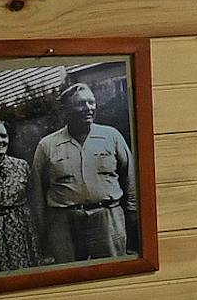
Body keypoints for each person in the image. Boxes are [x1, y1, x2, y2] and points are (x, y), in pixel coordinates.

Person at [30, 83, 139, 266]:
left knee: (112, 271)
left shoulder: (111, 136)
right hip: (64, 223)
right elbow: (37, 189)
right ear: (66, 110)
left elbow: (130, 176)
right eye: (81, 104)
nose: (88, 108)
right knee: (69, 274)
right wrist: (42, 228)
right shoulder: (47, 145)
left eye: (91, 102)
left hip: (108, 218)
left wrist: (132, 211)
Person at [0, 120, 39, 272]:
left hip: (20, 229)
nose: (0, 141)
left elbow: (34, 198)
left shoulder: (21, 166)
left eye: (3, 136)